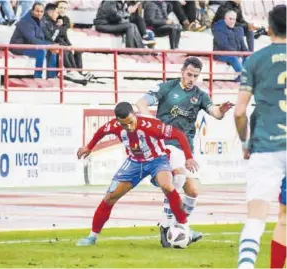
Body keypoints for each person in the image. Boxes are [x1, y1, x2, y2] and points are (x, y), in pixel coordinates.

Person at [136, 56, 233, 248]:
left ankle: (178, 226)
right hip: (166, 144)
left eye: (195, 76)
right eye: (189, 74)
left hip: (186, 147)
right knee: (178, 178)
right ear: (182, 71)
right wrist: (151, 122)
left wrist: (221, 110)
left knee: (193, 191)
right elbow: (141, 103)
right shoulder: (167, 88)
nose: (191, 79)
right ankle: (166, 226)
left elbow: (215, 113)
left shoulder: (200, 95)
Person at [76, 101, 199, 246]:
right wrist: (89, 147)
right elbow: (102, 131)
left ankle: (185, 227)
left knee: (168, 186)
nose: (128, 127)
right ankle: (92, 237)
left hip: (157, 160)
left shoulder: (151, 126)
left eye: (131, 122)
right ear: (118, 121)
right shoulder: (114, 126)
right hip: (134, 163)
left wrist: (189, 157)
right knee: (110, 197)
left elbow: (179, 134)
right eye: (124, 124)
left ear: (135, 115)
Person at [234, 4, 286, 268]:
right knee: (285, 218)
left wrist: (245, 142)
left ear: (269, 27)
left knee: (256, 215)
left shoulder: (255, 60)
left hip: (266, 146)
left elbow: (240, 112)